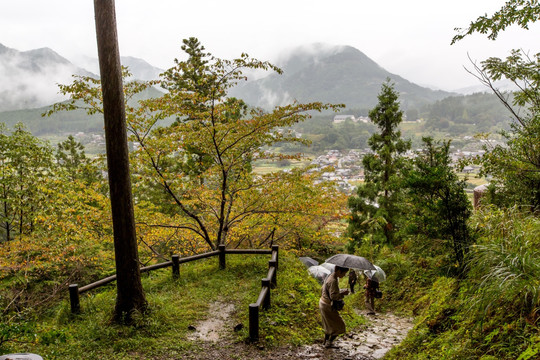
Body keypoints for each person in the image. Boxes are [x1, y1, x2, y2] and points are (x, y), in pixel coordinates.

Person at [319, 265, 350, 348]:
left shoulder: (330, 276)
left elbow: (327, 290)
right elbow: (333, 297)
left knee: (329, 324)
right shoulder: (333, 280)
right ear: (339, 271)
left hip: (323, 302)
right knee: (340, 325)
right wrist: (343, 294)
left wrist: (341, 291)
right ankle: (329, 342)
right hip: (327, 305)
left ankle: (325, 341)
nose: (344, 275)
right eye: (344, 273)